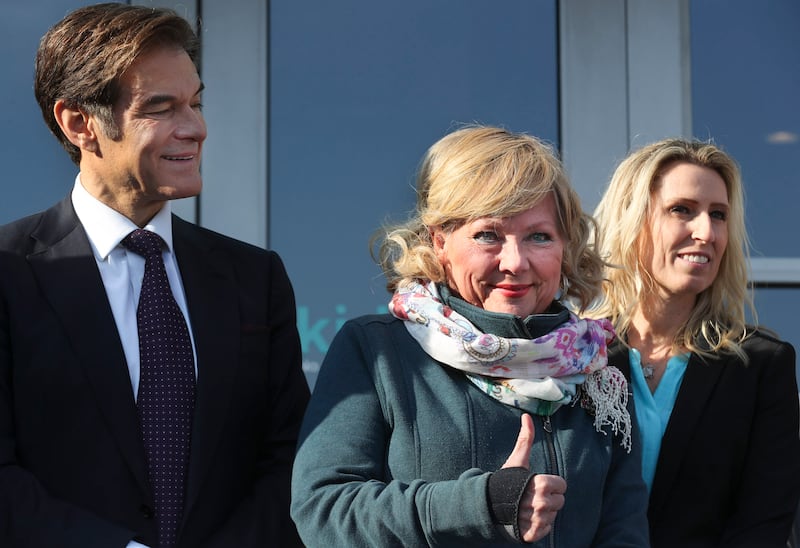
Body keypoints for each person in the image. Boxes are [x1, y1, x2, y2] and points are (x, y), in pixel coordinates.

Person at [0, 4, 309, 548]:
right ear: (80, 123)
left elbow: (288, 456)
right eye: (161, 108)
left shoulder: (253, 278)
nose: (196, 128)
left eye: (195, 103)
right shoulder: (7, 273)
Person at [290, 125, 650, 547]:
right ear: (439, 241)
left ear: (565, 247)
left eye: (539, 236)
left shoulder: (600, 368)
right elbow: (323, 511)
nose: (515, 262)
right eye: (488, 235)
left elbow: (623, 531)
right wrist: (483, 503)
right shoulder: (377, 351)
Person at [588, 137, 800, 547]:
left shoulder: (759, 367)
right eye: (681, 210)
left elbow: (764, 524)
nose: (707, 232)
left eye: (718, 215)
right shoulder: (576, 355)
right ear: (633, 220)